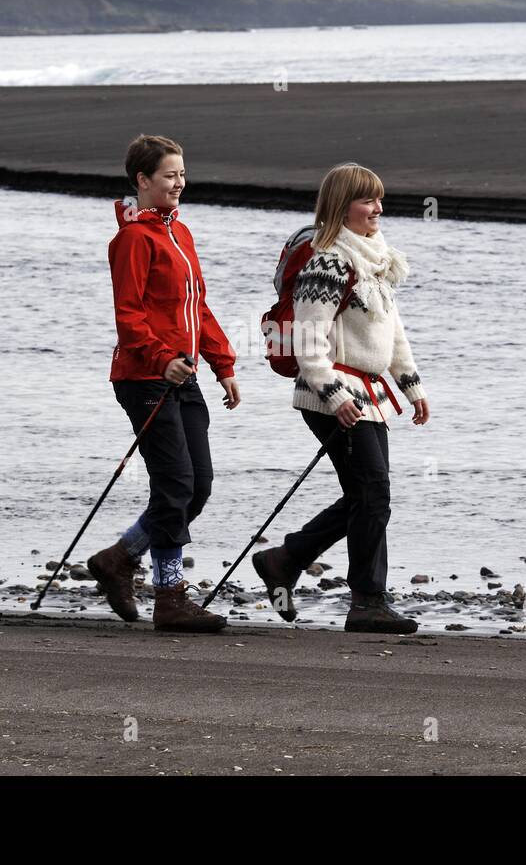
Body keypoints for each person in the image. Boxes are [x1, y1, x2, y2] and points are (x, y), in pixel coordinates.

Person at [253, 162, 429, 633]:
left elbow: (392, 332)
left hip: (368, 395)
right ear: (340, 206)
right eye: (367, 200)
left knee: (366, 494)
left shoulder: (377, 260)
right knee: (373, 493)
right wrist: (332, 394)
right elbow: (309, 340)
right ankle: (368, 601)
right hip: (331, 395)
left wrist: (412, 387)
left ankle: (284, 560)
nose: (378, 208)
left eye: (379, 199)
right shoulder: (328, 261)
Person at [86, 134, 240, 632]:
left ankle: (119, 557)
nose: (179, 183)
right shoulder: (132, 239)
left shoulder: (181, 233)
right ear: (143, 180)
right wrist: (162, 357)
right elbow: (128, 317)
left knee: (198, 488)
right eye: (169, 175)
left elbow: (197, 307)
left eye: (182, 174)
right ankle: (170, 597)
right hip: (145, 377)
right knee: (174, 486)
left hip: (185, 375)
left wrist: (224, 364)